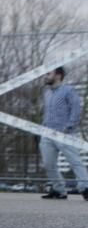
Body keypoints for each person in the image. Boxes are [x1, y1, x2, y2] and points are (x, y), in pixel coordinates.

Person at [39, 66, 88, 200]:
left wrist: (69, 126)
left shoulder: (69, 90)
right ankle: (59, 190)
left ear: (58, 75)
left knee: (75, 162)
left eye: (49, 73)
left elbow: (76, 109)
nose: (46, 76)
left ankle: (85, 188)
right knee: (48, 163)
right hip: (47, 134)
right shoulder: (47, 92)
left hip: (65, 134)